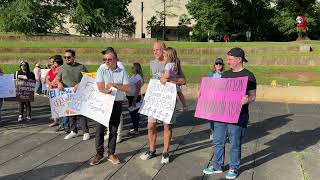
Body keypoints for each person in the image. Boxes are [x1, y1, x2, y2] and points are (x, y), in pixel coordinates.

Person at [203, 47, 256, 180]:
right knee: (218, 141)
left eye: (230, 59)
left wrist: (247, 100)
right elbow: (220, 94)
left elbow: (253, 96)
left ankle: (233, 167)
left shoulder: (249, 76)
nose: (228, 61)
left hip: (238, 116)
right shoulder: (225, 74)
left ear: (239, 60)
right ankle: (217, 165)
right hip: (221, 114)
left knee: (234, 143)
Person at [140, 41, 186, 164]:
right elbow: (153, 80)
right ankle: (151, 150)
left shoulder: (173, 63)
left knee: (167, 126)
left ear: (164, 50)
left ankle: (165, 152)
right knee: (150, 126)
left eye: (157, 50)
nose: (155, 52)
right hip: (154, 100)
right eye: (153, 50)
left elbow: (183, 81)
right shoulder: (152, 63)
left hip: (168, 101)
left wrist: (170, 79)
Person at [90, 50, 130, 165]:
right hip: (103, 103)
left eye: (109, 59)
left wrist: (115, 85)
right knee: (99, 130)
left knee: (113, 130)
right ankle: (99, 154)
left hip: (116, 103)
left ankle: (111, 153)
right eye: (105, 59)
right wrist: (105, 91)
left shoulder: (122, 71)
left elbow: (128, 88)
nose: (106, 62)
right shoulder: (101, 69)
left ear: (116, 60)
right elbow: (99, 86)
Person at [56, 49, 90, 141]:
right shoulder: (62, 68)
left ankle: (86, 132)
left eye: (69, 57)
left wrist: (80, 84)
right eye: (65, 57)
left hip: (79, 92)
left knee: (81, 113)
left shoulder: (81, 67)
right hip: (67, 93)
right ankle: (73, 131)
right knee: (70, 113)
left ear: (74, 57)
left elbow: (88, 78)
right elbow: (58, 79)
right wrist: (59, 83)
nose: (66, 59)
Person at [101, 47, 124, 143]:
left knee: (118, 116)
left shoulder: (119, 65)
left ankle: (119, 134)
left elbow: (120, 78)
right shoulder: (103, 65)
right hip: (107, 94)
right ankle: (109, 132)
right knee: (107, 114)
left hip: (117, 95)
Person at [46, 55, 70, 132]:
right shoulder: (53, 70)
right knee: (59, 109)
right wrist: (51, 84)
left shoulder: (61, 69)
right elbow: (46, 79)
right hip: (54, 91)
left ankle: (65, 125)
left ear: (57, 63)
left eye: (54, 62)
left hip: (60, 91)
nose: (52, 64)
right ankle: (62, 124)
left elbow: (59, 78)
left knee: (63, 109)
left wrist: (54, 83)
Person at [160, 47, 187, 111]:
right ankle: (184, 105)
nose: (163, 57)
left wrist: (162, 76)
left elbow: (167, 75)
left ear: (168, 57)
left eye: (164, 56)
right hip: (175, 84)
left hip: (170, 84)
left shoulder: (168, 65)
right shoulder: (175, 64)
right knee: (179, 93)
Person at [207, 58, 225, 140]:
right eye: (217, 64)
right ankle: (212, 132)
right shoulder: (211, 74)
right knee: (212, 118)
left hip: (221, 99)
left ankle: (222, 133)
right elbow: (207, 86)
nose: (218, 65)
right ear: (214, 65)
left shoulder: (225, 74)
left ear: (222, 65)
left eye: (220, 64)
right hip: (212, 99)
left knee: (221, 117)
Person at [126, 63, 144, 135]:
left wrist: (134, 99)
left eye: (132, 67)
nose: (131, 68)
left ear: (136, 68)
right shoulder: (134, 76)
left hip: (134, 97)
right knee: (132, 113)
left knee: (134, 113)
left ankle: (136, 129)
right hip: (131, 96)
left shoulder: (138, 77)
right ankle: (135, 127)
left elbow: (138, 89)